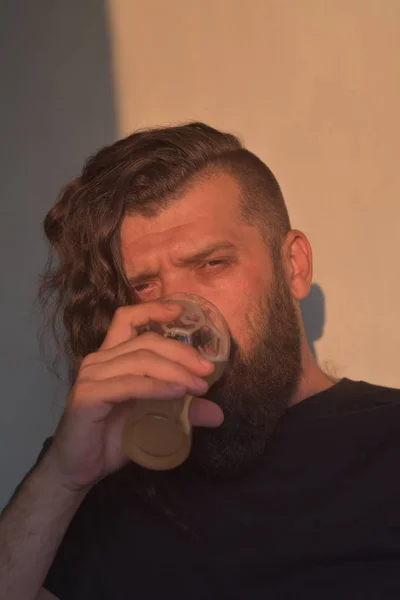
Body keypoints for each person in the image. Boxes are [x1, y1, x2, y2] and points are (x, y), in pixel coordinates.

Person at [0, 122, 399, 600]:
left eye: (211, 265)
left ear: (294, 265)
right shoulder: (101, 470)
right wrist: (63, 480)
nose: (179, 316)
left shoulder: (386, 443)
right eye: (145, 287)